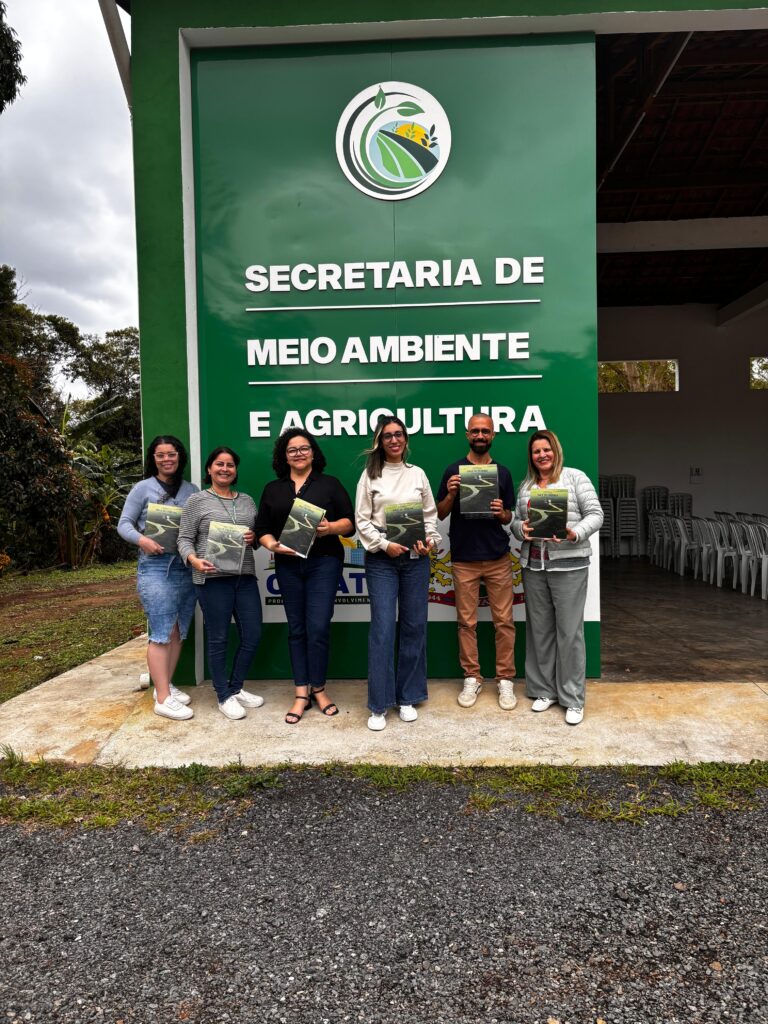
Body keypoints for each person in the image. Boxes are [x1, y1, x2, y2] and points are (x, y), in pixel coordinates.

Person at [256, 430, 354, 725]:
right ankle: (301, 692)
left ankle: (319, 689)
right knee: (297, 629)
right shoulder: (273, 489)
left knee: (319, 627)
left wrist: (330, 528)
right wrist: (272, 545)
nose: (298, 453)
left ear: (313, 452)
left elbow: (350, 523)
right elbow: (262, 529)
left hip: (324, 563)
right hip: (287, 565)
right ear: (284, 456)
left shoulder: (330, 484)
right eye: (292, 450)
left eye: (304, 448)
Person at [511, 430, 603, 725]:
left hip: (569, 565)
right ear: (531, 456)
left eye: (546, 449)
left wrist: (575, 533)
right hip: (534, 566)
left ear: (556, 450)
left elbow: (596, 514)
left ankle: (573, 698)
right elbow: (516, 521)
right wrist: (520, 530)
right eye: (536, 451)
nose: (542, 455)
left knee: (569, 633)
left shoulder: (575, 478)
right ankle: (544, 691)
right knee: (539, 631)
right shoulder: (526, 486)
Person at [355, 415, 441, 732]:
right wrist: (383, 544)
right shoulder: (369, 476)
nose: (394, 440)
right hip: (382, 560)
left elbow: (429, 516)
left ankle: (408, 697)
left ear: (406, 439)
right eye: (388, 435)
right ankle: (379, 705)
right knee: (382, 629)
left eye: (399, 434)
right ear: (380, 441)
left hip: (416, 559)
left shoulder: (417, 474)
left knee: (414, 626)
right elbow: (361, 520)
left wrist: (430, 541)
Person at [436, 413, 517, 710]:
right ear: (467, 435)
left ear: (493, 435)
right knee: (466, 623)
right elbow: (441, 513)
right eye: (475, 431)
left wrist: (501, 512)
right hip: (464, 558)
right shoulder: (453, 470)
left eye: (485, 431)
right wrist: (451, 493)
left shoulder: (503, 473)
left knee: (504, 622)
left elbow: (509, 517)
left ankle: (505, 679)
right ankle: (472, 676)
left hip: (497, 557)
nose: (480, 435)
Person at [178, 446, 264, 721]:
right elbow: (184, 538)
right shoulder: (197, 501)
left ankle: (235, 687)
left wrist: (254, 538)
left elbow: (257, 538)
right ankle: (223, 695)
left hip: (244, 576)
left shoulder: (248, 501)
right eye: (219, 464)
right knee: (218, 638)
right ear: (209, 469)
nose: (225, 469)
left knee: (253, 634)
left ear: (235, 470)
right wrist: (194, 560)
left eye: (230, 465)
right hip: (212, 578)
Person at [118, 435, 198, 721]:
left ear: (179, 457)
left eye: (171, 454)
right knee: (162, 632)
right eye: (161, 455)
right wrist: (143, 541)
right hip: (154, 567)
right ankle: (162, 699)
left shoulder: (191, 490)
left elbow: (199, 526)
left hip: (185, 567)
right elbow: (123, 524)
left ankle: (166, 686)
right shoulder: (142, 489)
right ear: (153, 459)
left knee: (178, 631)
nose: (167, 459)